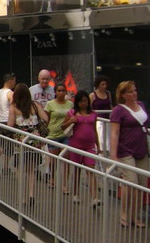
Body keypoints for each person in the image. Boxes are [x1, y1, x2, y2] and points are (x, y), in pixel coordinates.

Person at [109, 80, 149, 228]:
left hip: (142, 149)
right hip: (126, 150)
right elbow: (114, 133)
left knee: (142, 184)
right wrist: (113, 155)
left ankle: (134, 216)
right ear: (124, 94)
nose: (134, 93)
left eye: (135, 90)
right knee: (131, 182)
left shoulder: (142, 105)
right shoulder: (119, 110)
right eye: (131, 91)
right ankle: (124, 214)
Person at [8, 83, 48, 203]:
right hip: (35, 140)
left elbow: (10, 125)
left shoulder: (14, 107)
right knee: (31, 169)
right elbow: (45, 118)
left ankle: (22, 197)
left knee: (20, 169)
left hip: (21, 140)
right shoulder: (35, 105)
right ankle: (31, 194)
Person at [62, 91, 100, 204]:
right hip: (76, 146)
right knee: (77, 170)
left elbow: (95, 130)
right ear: (77, 102)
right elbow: (62, 127)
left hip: (89, 146)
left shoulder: (93, 114)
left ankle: (94, 197)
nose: (84, 103)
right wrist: (70, 121)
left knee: (90, 169)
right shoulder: (72, 113)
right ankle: (76, 194)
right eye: (81, 101)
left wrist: (98, 145)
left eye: (86, 101)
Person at [45, 82, 72, 182]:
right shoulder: (50, 104)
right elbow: (46, 119)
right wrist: (45, 133)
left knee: (66, 159)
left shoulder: (70, 104)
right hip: (53, 134)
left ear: (66, 92)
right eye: (59, 91)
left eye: (63, 90)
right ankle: (52, 177)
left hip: (66, 134)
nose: (61, 93)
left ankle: (65, 183)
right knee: (54, 160)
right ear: (55, 92)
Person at [0, 73, 16, 173]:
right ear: (10, 80)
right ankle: (5, 166)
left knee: (3, 144)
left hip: (0, 120)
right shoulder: (10, 93)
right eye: (14, 81)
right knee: (9, 146)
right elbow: (13, 106)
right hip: (8, 121)